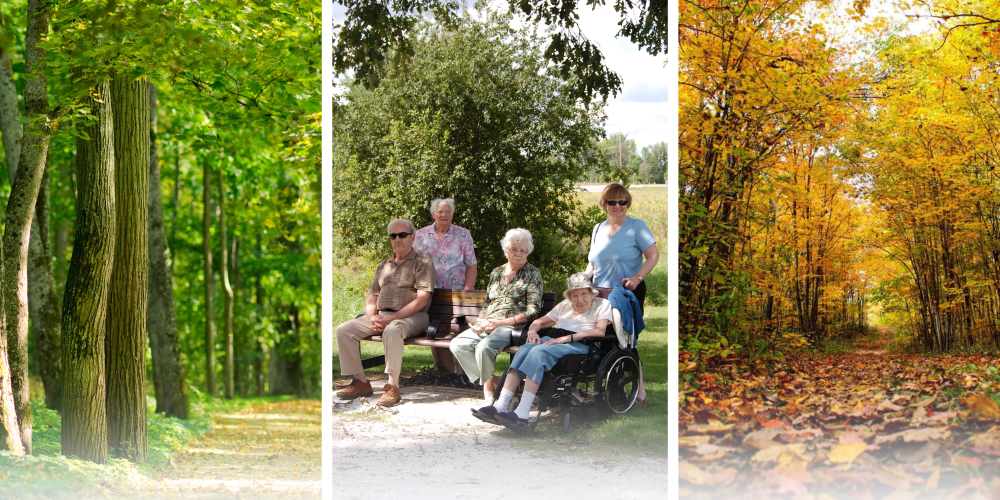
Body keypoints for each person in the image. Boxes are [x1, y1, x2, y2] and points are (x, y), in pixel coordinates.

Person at [473, 273, 611, 433]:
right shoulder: (565, 306)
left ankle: (522, 413)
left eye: (584, 294)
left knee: (538, 351)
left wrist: (565, 339)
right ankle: (500, 405)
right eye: (574, 296)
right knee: (525, 348)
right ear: (570, 297)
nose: (579, 300)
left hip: (580, 344)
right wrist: (532, 332)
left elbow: (600, 331)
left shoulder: (602, 305)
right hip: (554, 339)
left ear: (591, 293)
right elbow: (539, 322)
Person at [335, 219, 436, 407]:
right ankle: (361, 382)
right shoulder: (384, 265)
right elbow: (372, 297)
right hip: (382, 315)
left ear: (412, 237)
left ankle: (392, 386)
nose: (397, 239)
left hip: (413, 317)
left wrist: (392, 318)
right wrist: (373, 316)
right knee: (343, 330)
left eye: (402, 235)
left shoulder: (423, 263)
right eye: (393, 235)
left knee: (392, 330)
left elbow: (422, 300)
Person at [586, 183, 659, 403]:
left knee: (623, 341)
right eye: (612, 202)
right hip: (600, 295)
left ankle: (640, 391)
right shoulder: (598, 229)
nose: (618, 206)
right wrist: (581, 281)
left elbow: (653, 255)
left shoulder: (637, 227)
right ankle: (615, 390)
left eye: (622, 202)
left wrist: (638, 278)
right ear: (604, 205)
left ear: (627, 203)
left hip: (627, 294)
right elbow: (592, 264)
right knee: (604, 341)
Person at [449, 228, 542, 400]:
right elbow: (488, 303)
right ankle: (494, 381)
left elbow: (533, 310)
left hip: (512, 326)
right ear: (506, 251)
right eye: (515, 250)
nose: (519, 254)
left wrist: (500, 323)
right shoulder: (496, 273)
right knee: (457, 345)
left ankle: (488, 390)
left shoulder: (532, 274)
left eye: (523, 251)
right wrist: (480, 321)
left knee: (484, 347)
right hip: (489, 323)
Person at [413, 198, 478, 373]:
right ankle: (446, 373)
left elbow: (471, 263)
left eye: (447, 211)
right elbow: (413, 263)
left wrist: (467, 290)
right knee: (437, 329)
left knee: (461, 330)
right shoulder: (420, 235)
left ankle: (464, 373)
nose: (444, 215)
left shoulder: (463, 234)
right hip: (430, 292)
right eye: (440, 211)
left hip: (457, 292)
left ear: (452, 214)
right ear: (433, 214)